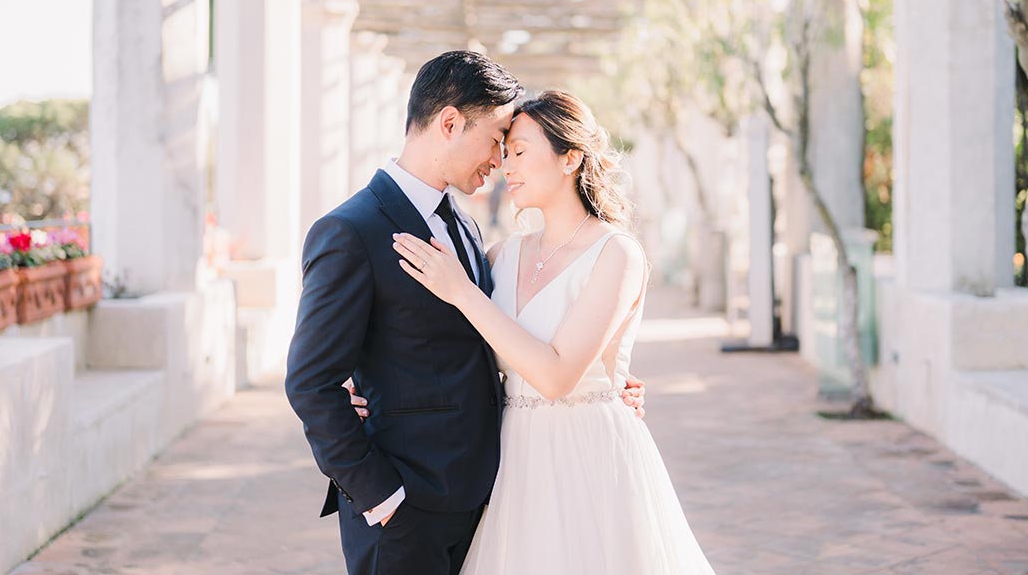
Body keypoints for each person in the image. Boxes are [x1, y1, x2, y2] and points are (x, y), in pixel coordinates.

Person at [284, 52, 645, 575]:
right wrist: (380, 497)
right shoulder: (350, 231)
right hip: (405, 511)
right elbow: (311, 382)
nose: (501, 161)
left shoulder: (472, 233)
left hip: (491, 499)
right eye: (499, 140)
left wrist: (608, 381)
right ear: (450, 123)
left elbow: (497, 343)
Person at [391, 89, 715, 574]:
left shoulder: (616, 254)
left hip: (589, 455)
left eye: (519, 151)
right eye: (503, 153)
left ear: (571, 159)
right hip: (514, 459)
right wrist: (368, 384)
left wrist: (462, 291)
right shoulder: (502, 257)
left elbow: (559, 376)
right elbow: (452, 353)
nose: (505, 166)